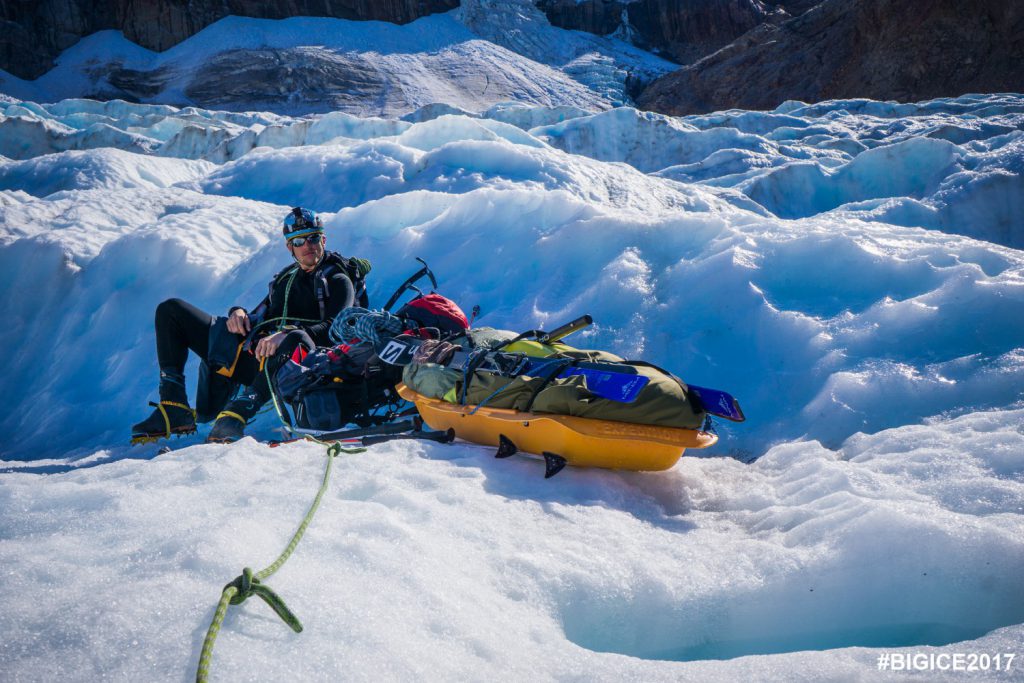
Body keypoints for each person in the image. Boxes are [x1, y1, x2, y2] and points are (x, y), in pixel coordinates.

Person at [131, 207, 371, 444]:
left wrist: (289, 334)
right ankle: (173, 407)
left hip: (304, 366)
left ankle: (237, 414)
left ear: (323, 239)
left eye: (313, 238)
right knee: (171, 310)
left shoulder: (338, 278)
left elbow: (338, 328)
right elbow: (261, 316)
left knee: (294, 338)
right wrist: (238, 312)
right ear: (290, 247)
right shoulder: (285, 280)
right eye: (299, 241)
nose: (308, 245)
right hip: (260, 357)